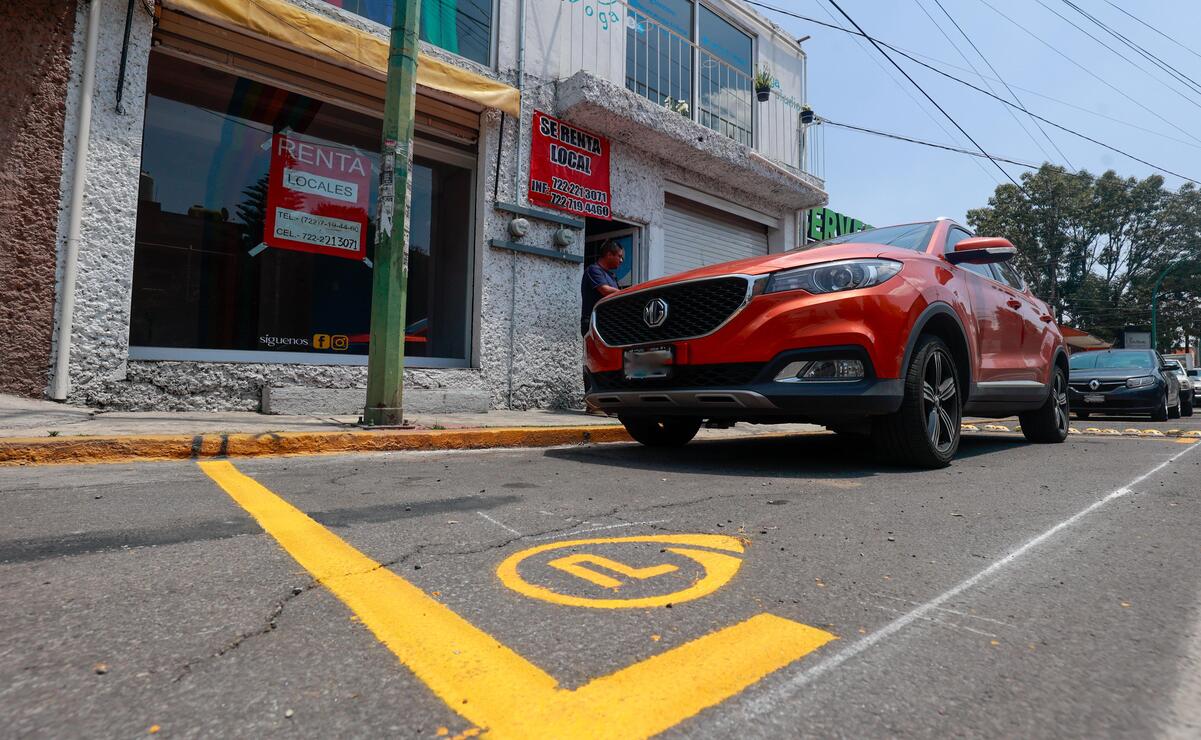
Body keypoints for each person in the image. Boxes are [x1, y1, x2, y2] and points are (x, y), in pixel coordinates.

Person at [580, 240, 623, 336]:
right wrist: (625, 294)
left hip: (607, 322)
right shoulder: (593, 270)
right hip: (594, 322)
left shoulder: (611, 275)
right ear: (609, 255)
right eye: (619, 256)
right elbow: (605, 290)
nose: (621, 260)